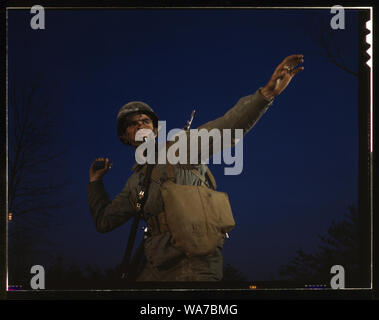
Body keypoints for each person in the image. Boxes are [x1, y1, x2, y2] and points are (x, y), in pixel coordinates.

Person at [87, 54, 304, 281]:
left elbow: (227, 127)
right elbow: (104, 221)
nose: (140, 125)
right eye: (132, 124)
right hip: (154, 267)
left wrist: (266, 94)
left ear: (156, 129)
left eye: (145, 121)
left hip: (195, 263)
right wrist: (95, 182)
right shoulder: (134, 183)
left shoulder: (181, 147)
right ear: (125, 136)